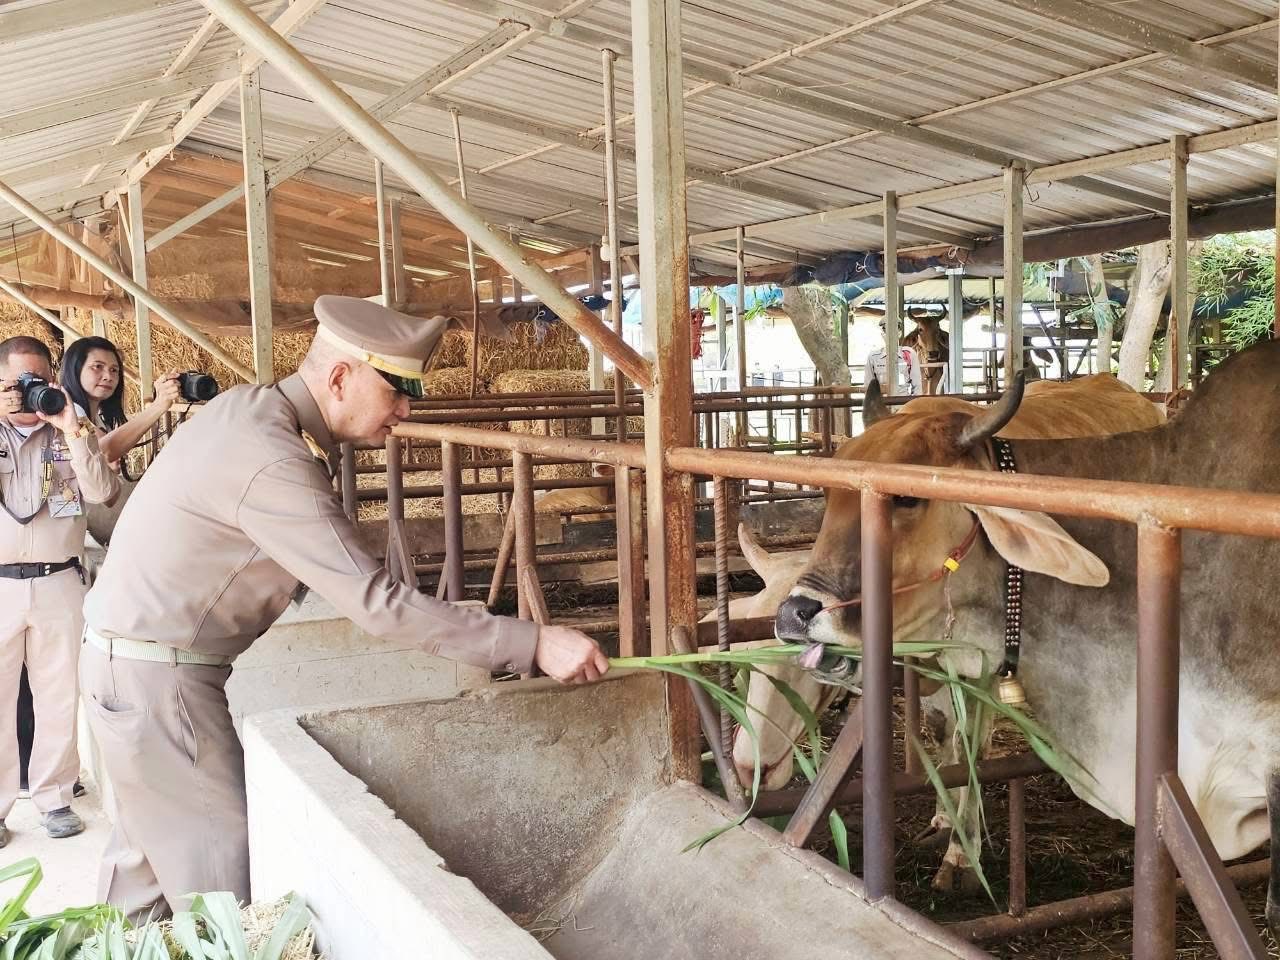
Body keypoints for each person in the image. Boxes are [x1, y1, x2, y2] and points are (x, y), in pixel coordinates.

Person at [81, 296, 610, 922]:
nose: (407, 411)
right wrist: (533, 643)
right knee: (222, 895)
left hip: (126, 663)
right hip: (161, 685)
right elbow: (379, 605)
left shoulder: (247, 411)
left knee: (142, 884)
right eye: (399, 390)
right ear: (340, 378)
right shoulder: (273, 455)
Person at [0, 336, 120, 848]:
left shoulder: (69, 431)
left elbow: (102, 494)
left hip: (59, 581)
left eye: (39, 381)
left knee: (57, 696)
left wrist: (72, 430)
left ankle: (53, 798)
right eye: (18, 382)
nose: (30, 392)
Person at [60, 336, 182, 465]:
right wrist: (158, 405)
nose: (108, 376)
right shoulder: (68, 411)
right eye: (97, 366)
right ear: (75, 369)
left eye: (114, 370)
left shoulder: (97, 418)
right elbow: (102, 453)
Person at [864, 320, 923, 396]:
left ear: (899, 332)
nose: (890, 333)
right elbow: (868, 387)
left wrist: (914, 406)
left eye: (895, 328)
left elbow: (917, 386)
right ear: (882, 333)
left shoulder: (909, 354)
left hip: (903, 403)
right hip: (882, 404)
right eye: (885, 329)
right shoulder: (873, 357)